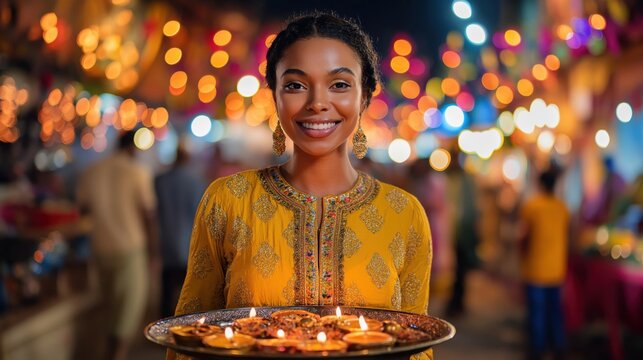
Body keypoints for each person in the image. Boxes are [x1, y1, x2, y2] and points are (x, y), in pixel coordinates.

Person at [170, 11, 433, 360]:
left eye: (339, 84)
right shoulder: (227, 200)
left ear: (365, 97)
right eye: (295, 85)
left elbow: (417, 345)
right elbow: (191, 337)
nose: (317, 103)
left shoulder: (404, 213)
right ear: (275, 97)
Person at [77, 130, 159, 360]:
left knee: (109, 308)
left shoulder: (92, 171)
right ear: (133, 148)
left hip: (100, 248)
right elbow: (149, 216)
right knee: (127, 310)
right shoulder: (137, 172)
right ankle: (117, 355)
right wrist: (154, 254)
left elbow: (82, 210)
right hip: (130, 249)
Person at [519, 169, 570, 360]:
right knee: (555, 312)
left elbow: (524, 237)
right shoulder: (562, 208)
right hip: (556, 269)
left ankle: (537, 350)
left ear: (540, 184)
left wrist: (522, 257)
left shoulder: (532, 206)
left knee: (537, 313)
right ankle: (558, 347)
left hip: (535, 269)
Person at [155, 142, 206, 317]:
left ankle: (163, 330)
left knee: (167, 292)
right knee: (189, 293)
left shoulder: (160, 180)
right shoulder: (196, 181)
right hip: (190, 245)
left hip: (167, 243)